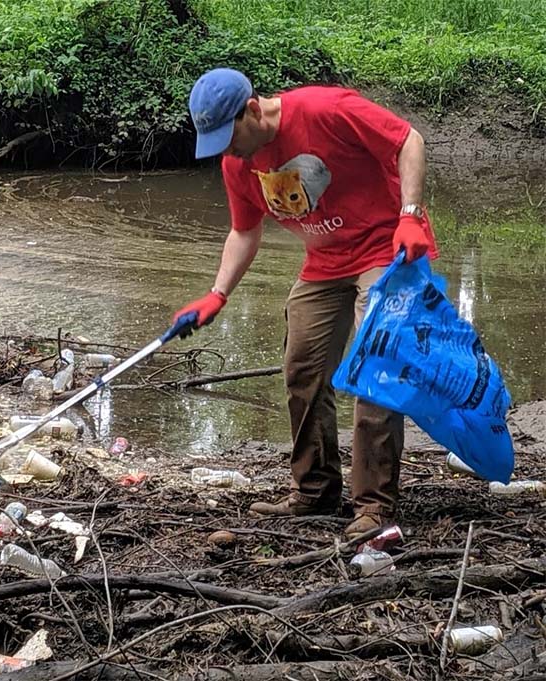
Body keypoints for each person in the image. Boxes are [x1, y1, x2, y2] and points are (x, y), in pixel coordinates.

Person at [174, 67, 437, 538]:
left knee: (373, 366)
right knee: (302, 366)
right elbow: (244, 230)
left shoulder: (324, 109)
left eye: (229, 137)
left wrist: (411, 215)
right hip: (326, 262)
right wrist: (217, 294)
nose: (227, 152)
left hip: (386, 247)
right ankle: (315, 491)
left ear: (253, 108)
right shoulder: (238, 163)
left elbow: (408, 141)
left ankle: (375, 505)